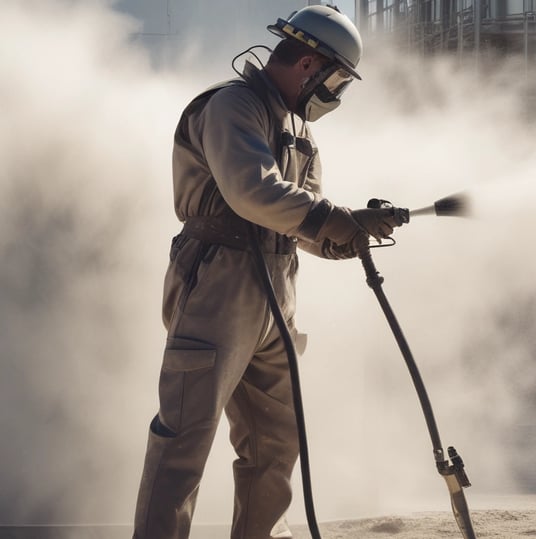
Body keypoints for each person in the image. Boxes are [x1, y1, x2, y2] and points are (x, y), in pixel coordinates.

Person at [132, 6, 401, 539]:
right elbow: (252, 192)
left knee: (276, 440)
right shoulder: (234, 105)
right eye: (338, 78)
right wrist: (335, 221)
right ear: (308, 63)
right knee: (185, 438)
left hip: (277, 286)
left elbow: (303, 217)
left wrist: (348, 236)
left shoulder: (297, 130)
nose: (337, 93)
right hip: (217, 282)